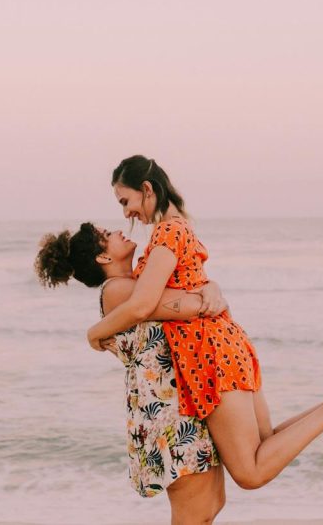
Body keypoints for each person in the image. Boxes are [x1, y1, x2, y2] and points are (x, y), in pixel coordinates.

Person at [86, 155, 323, 491]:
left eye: (126, 201)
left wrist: (94, 333)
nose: (126, 213)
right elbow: (184, 288)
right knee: (265, 443)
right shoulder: (178, 227)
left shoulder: (167, 231)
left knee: (250, 472)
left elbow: (141, 305)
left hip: (207, 352)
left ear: (147, 189)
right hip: (225, 343)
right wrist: (211, 289)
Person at [35, 222, 229, 525]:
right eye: (106, 235)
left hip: (178, 406)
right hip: (169, 416)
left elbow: (193, 293)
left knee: (211, 506)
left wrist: (211, 288)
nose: (117, 230)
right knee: (196, 516)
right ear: (103, 257)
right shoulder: (119, 290)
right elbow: (192, 304)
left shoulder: (136, 286)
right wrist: (209, 292)